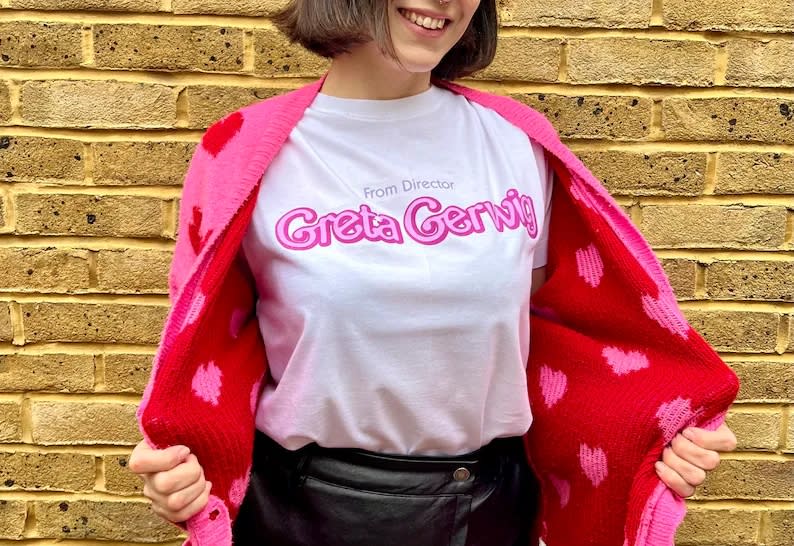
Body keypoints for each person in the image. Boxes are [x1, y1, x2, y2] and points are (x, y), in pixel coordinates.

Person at [128, 1, 739, 545]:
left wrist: (652, 435)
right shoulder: (242, 151)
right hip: (307, 511)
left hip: (495, 506)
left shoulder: (516, 141)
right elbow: (204, 346)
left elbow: (563, 340)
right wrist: (185, 467)